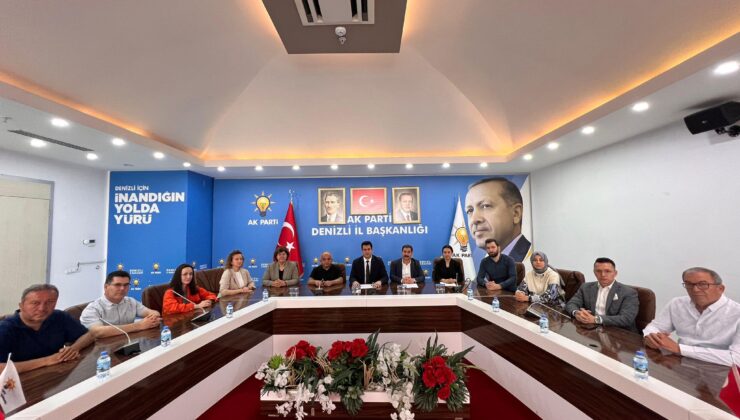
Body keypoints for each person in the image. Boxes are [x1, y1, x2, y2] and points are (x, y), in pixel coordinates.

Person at [643, 267, 740, 366]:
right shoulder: (677, 303)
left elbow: (736, 358)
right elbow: (655, 327)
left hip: (719, 368)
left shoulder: (736, 313)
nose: (695, 290)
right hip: (680, 362)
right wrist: (652, 338)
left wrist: (680, 349)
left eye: (702, 284)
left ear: (720, 288)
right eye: (689, 284)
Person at [0, 284, 95, 373]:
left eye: (50, 302)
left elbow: (89, 335)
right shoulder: (5, 328)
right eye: (35, 303)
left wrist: (73, 349)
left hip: (55, 373)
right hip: (19, 379)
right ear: (21, 306)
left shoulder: (59, 316)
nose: (42, 308)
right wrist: (47, 360)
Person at [465, 177, 531, 262]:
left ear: (516, 213)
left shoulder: (533, 262)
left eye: (486, 206)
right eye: (470, 210)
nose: (474, 219)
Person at [565, 258, 638, 332]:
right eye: (598, 271)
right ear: (594, 272)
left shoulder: (629, 292)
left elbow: (626, 318)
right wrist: (577, 313)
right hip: (592, 329)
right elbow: (571, 303)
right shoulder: (585, 287)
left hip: (619, 332)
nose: (603, 275)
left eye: (607, 271)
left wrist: (596, 319)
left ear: (615, 273)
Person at [80, 270, 161, 337]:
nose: (122, 288)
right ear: (106, 287)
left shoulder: (131, 301)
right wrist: (138, 326)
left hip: (129, 344)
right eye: (117, 285)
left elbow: (154, 313)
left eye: (126, 285)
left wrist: (152, 319)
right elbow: (98, 332)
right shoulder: (92, 309)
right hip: (104, 348)